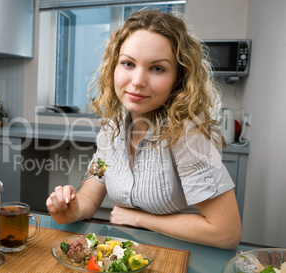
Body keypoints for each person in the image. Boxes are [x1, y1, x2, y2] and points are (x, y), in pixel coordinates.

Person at [46, 9, 241, 249]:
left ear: (178, 78)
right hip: (134, 254)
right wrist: (73, 209)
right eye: (128, 63)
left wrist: (140, 219)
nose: (138, 80)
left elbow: (226, 232)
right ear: (113, 67)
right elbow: (91, 191)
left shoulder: (186, 134)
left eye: (157, 68)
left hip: (184, 257)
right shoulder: (113, 126)